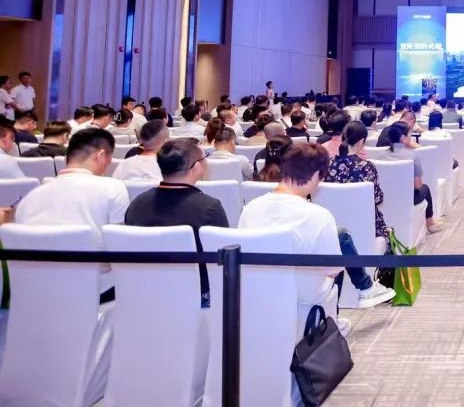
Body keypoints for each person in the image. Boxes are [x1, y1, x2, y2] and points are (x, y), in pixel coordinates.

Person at [238, 142, 395, 336]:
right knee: (336, 258)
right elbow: (333, 271)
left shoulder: (250, 208)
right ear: (314, 176)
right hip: (304, 293)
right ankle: (330, 322)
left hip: (258, 289)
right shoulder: (318, 215)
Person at [15, 129, 129, 296]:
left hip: (34, 292)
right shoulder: (114, 188)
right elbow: (119, 246)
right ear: (100, 155)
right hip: (96, 291)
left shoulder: (30, 198)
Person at [124, 138, 229, 304]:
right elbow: (224, 260)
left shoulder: (137, 203)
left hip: (143, 295)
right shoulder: (209, 208)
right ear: (196, 167)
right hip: (197, 297)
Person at [325, 122, 389, 241]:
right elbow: (377, 199)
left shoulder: (326, 164)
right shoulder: (367, 167)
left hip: (333, 224)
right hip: (365, 224)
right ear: (361, 142)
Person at [382, 121, 444, 232]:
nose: (410, 137)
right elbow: (417, 185)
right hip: (407, 198)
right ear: (403, 137)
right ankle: (430, 223)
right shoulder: (412, 156)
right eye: (409, 134)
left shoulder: (381, 156)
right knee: (425, 188)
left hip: (386, 197)